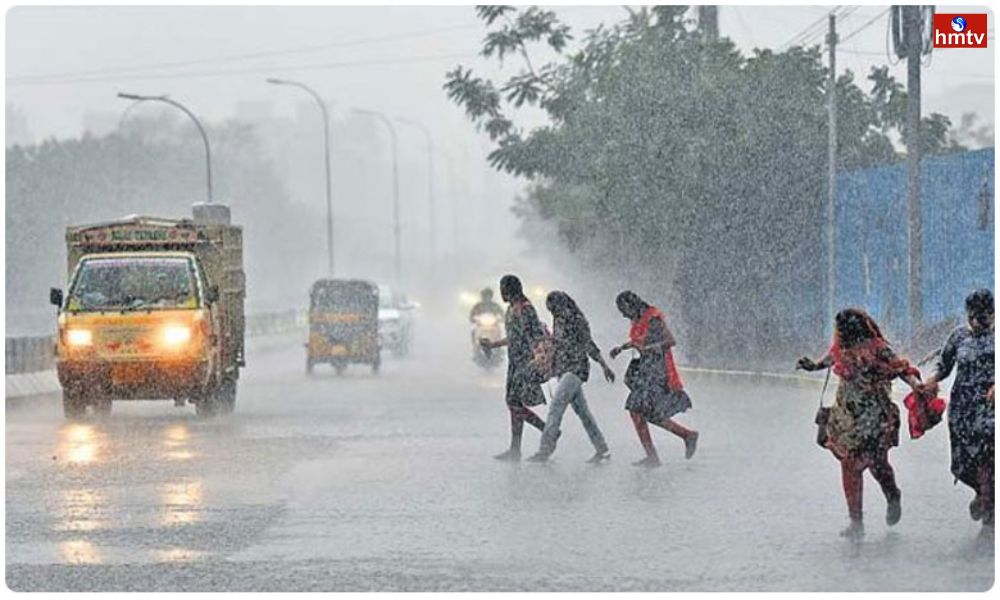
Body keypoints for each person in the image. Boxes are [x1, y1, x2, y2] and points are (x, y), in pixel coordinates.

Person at [797, 308, 921, 537]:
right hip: (848, 417)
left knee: (877, 463)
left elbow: (901, 368)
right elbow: (829, 359)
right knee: (849, 464)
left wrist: (915, 384)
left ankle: (892, 494)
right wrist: (812, 366)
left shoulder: (879, 348)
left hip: (874, 417)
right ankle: (856, 522)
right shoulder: (842, 348)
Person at [920, 289, 995, 528]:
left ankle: (989, 509)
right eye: (972, 316)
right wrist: (932, 380)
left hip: (991, 408)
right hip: (963, 408)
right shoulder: (959, 336)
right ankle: (982, 494)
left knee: (987, 456)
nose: (976, 321)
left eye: (982, 316)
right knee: (963, 463)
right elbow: (944, 364)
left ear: (993, 314)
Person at [609, 291, 698, 468]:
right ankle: (686, 436)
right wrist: (622, 348)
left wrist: (646, 348)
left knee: (637, 409)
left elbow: (669, 341)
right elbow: (638, 341)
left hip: (657, 371)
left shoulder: (653, 319)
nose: (623, 314)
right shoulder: (638, 319)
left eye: (623, 309)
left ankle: (656, 454)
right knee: (647, 413)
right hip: (646, 370)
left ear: (631, 305)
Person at [526, 291, 615, 464]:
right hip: (563, 369)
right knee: (584, 413)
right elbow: (558, 344)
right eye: (550, 311)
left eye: (554, 309)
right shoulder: (558, 320)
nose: (553, 313)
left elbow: (589, 344)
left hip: (576, 369)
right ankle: (602, 449)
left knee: (556, 406)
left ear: (562, 305)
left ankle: (545, 449)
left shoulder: (577, 320)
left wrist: (604, 365)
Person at [481, 275, 548, 461]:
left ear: (512, 289)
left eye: (503, 288)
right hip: (515, 361)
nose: (501, 293)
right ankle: (515, 448)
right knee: (515, 404)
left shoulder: (525, 309)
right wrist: (493, 345)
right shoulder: (511, 309)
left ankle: (547, 429)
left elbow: (530, 337)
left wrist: (537, 358)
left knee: (513, 402)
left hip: (525, 361)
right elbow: (514, 338)